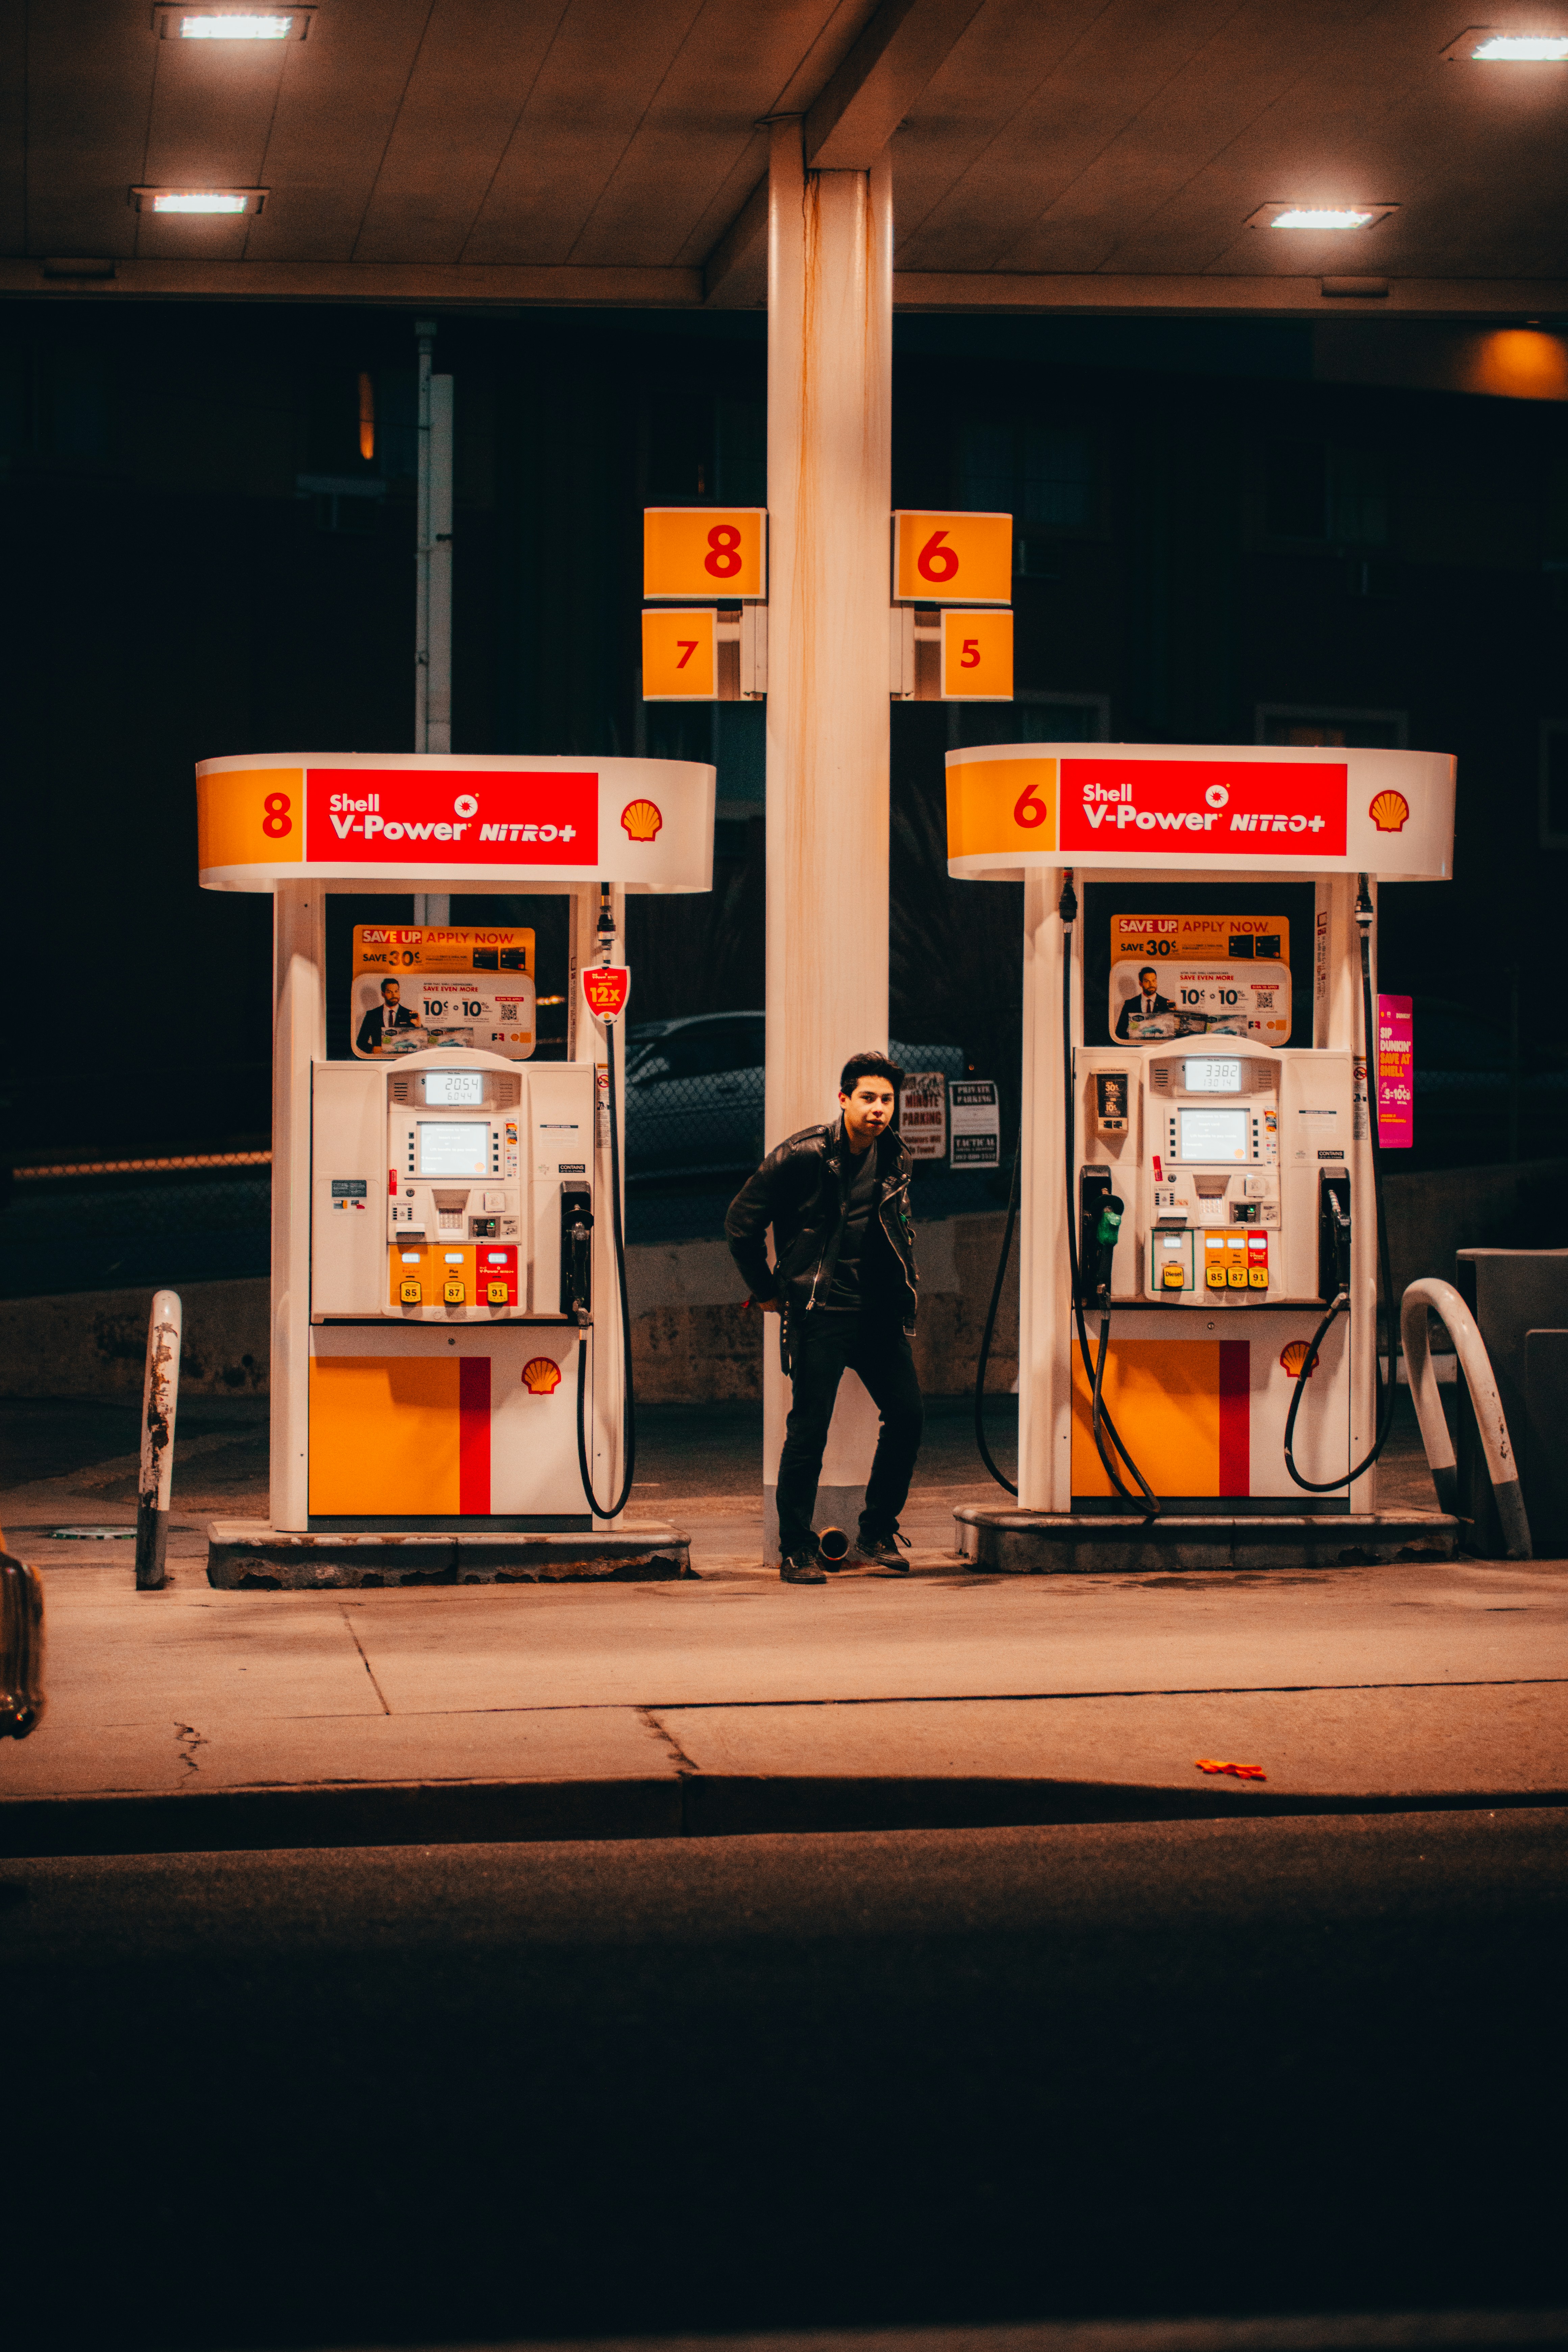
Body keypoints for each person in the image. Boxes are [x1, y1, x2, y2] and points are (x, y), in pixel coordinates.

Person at [725, 1050, 923, 1585]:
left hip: (878, 1313)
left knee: (908, 1416)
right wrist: (767, 1291)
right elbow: (740, 1224)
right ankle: (796, 1548)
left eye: (887, 1100)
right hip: (821, 1310)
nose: (879, 1109)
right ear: (844, 1100)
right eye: (868, 1098)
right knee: (809, 1430)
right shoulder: (803, 1155)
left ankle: (877, 1532)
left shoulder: (897, 1156)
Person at [356, 977, 422, 1056]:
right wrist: (373, 1049)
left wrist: (419, 1027)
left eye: (396, 991)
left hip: (402, 1061)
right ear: (383, 994)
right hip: (380, 1061)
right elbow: (360, 1042)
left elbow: (420, 1044)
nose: (394, 995)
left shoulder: (409, 1014)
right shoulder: (372, 1015)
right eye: (389, 992)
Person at [1115, 965, 1175, 1039]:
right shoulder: (1130, 1004)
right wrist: (1134, 1037)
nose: (1151, 985)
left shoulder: (1167, 1004)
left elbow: (1174, 1034)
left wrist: (1177, 1016)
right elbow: (1120, 1033)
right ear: (1141, 983)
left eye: (1154, 981)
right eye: (1147, 981)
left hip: (1159, 1048)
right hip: (1137, 1048)